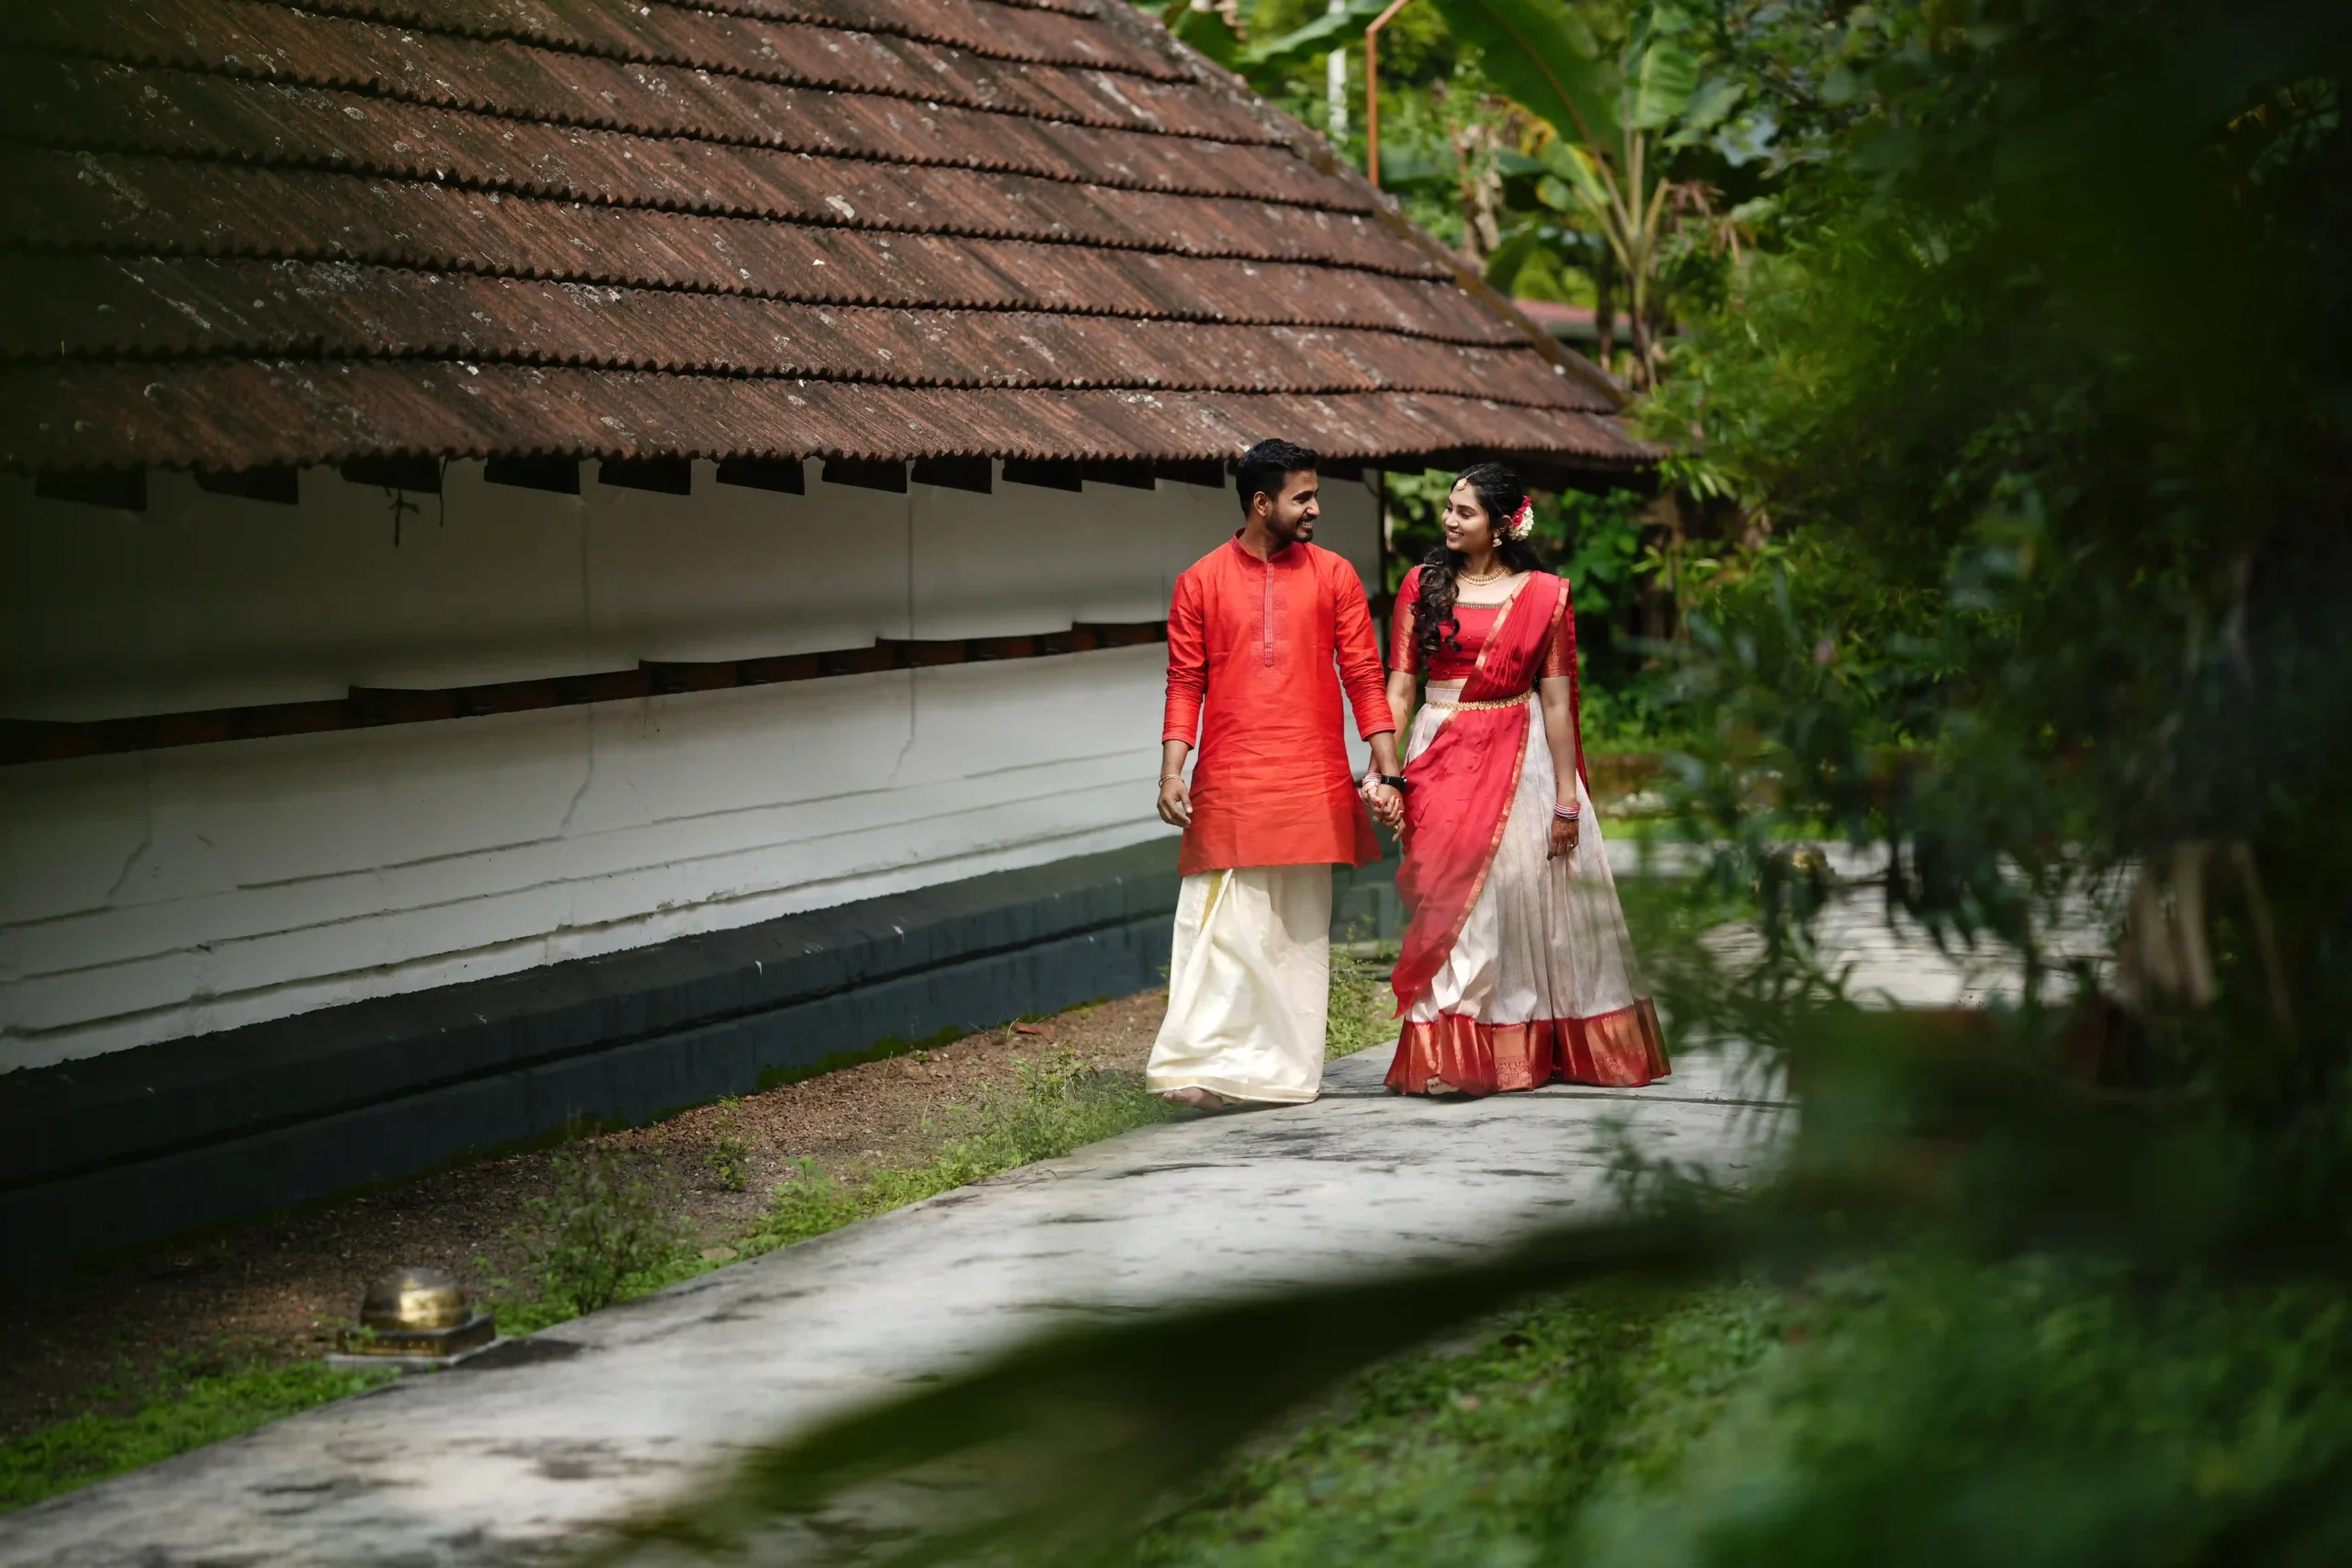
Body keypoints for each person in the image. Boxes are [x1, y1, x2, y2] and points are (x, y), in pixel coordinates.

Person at [1381, 462, 1668, 1096]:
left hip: (1521, 754)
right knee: (1448, 897)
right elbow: (1399, 688)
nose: (1449, 520)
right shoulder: (1421, 584)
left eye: (1465, 511)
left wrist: (1567, 799)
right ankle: (1451, 1049)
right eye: (1449, 507)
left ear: (1502, 525)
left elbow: (1558, 703)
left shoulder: (1543, 595)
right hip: (1438, 751)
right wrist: (1386, 771)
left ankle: (1486, 1047)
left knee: (1503, 898)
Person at [1148, 439, 1406, 1110]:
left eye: (1316, 495)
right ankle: (1197, 1064)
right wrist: (1172, 771)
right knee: (1221, 924)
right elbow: (1185, 681)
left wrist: (1389, 771)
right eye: (1303, 497)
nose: (1315, 508)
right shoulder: (1200, 580)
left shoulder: (1336, 576)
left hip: (1311, 779)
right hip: (1231, 778)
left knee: (1296, 930)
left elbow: (1363, 675)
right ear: (1262, 504)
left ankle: (1279, 1074)